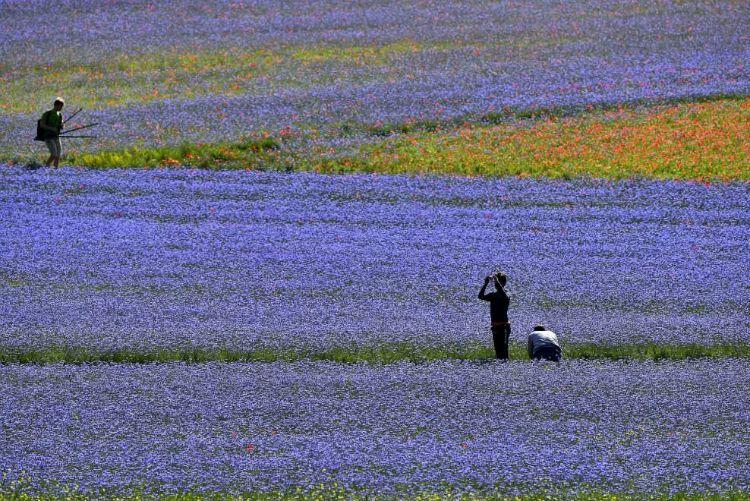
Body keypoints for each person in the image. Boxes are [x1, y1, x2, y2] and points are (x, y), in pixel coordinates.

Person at [478, 272, 511, 360]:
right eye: (496, 283)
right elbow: (480, 296)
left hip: (503, 327)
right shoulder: (493, 295)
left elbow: (503, 293)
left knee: (503, 352)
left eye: (498, 282)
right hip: (495, 326)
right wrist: (486, 283)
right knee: (498, 352)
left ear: (503, 283)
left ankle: (504, 366)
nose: (496, 284)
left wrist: (496, 281)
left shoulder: (506, 295)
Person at [39, 97, 65, 167]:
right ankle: (46, 167)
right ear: (56, 105)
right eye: (60, 106)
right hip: (48, 136)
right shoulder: (47, 113)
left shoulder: (60, 115)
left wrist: (62, 125)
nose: (61, 108)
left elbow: (61, 124)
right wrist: (52, 128)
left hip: (56, 136)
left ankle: (55, 170)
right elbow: (42, 125)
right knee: (54, 154)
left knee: (58, 155)